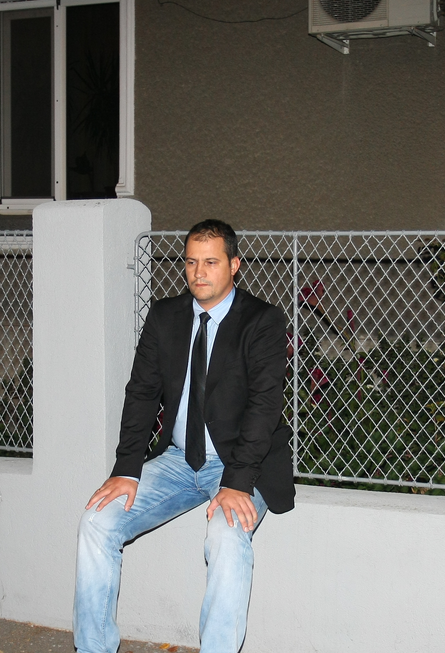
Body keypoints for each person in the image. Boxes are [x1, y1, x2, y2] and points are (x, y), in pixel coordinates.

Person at [74, 219, 295, 653]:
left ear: (234, 265)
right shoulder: (165, 316)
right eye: (191, 262)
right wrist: (126, 469)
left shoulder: (262, 320)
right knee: (97, 522)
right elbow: (141, 394)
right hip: (178, 461)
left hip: (239, 464)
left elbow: (264, 406)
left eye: (211, 262)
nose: (199, 272)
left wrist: (237, 482)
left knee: (227, 535)